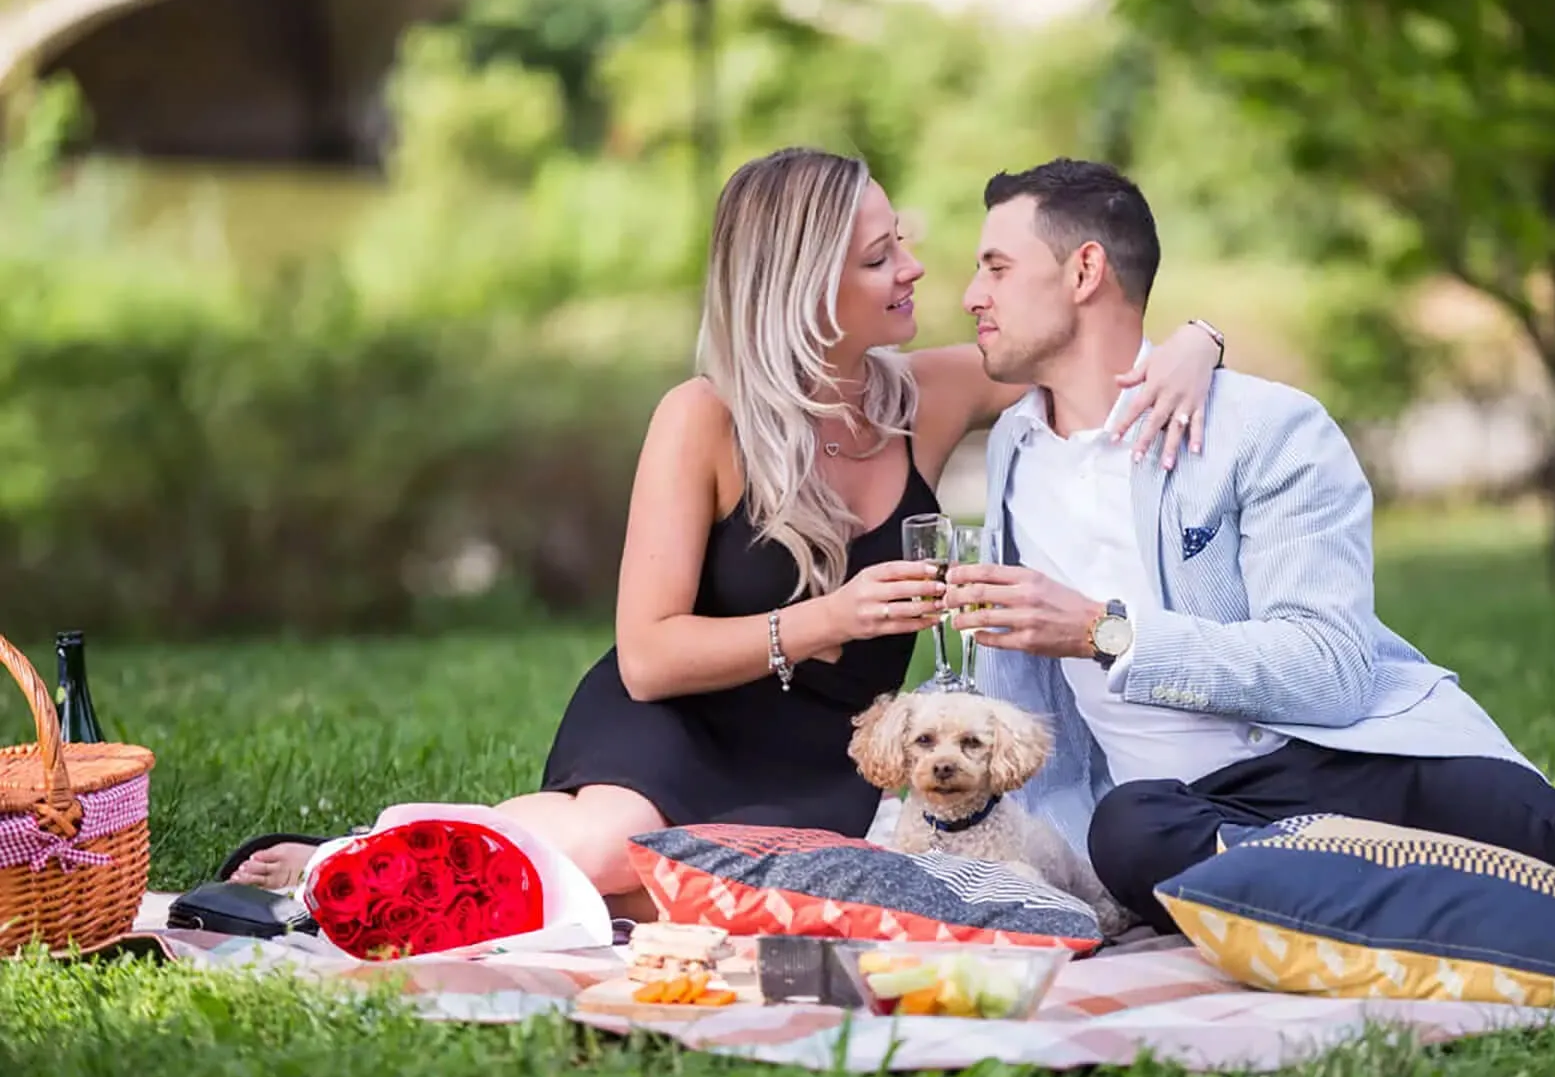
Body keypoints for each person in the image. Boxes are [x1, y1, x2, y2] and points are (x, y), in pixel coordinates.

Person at [228, 146, 1226, 921]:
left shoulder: (930, 394)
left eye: (902, 242)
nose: (917, 268)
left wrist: (1198, 342)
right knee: (622, 846)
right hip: (681, 720)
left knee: (779, 895)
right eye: (881, 256)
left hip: (829, 753)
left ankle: (454, 865)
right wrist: (820, 619)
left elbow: (1081, 326)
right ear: (805, 286)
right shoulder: (704, 419)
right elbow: (649, 654)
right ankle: (349, 861)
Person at [943, 157, 1555, 963]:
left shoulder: (1264, 429)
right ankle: (1522, 911)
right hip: (1191, 813)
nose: (972, 293)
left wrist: (1107, 633)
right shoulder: (1016, 445)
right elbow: (1023, 705)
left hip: (1354, 757)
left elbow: (1329, 669)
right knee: (1128, 834)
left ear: (1085, 270)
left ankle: (1512, 901)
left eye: (996, 267)